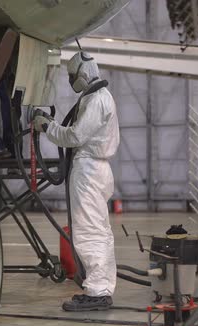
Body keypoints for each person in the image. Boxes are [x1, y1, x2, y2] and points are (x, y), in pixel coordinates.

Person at [32, 51, 120, 311]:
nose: (71, 81)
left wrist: (47, 127)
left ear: (83, 75)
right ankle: (100, 284)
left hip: (90, 171)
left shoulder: (96, 100)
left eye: (72, 76)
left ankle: (97, 292)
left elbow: (74, 136)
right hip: (96, 169)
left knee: (89, 232)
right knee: (100, 231)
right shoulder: (97, 97)